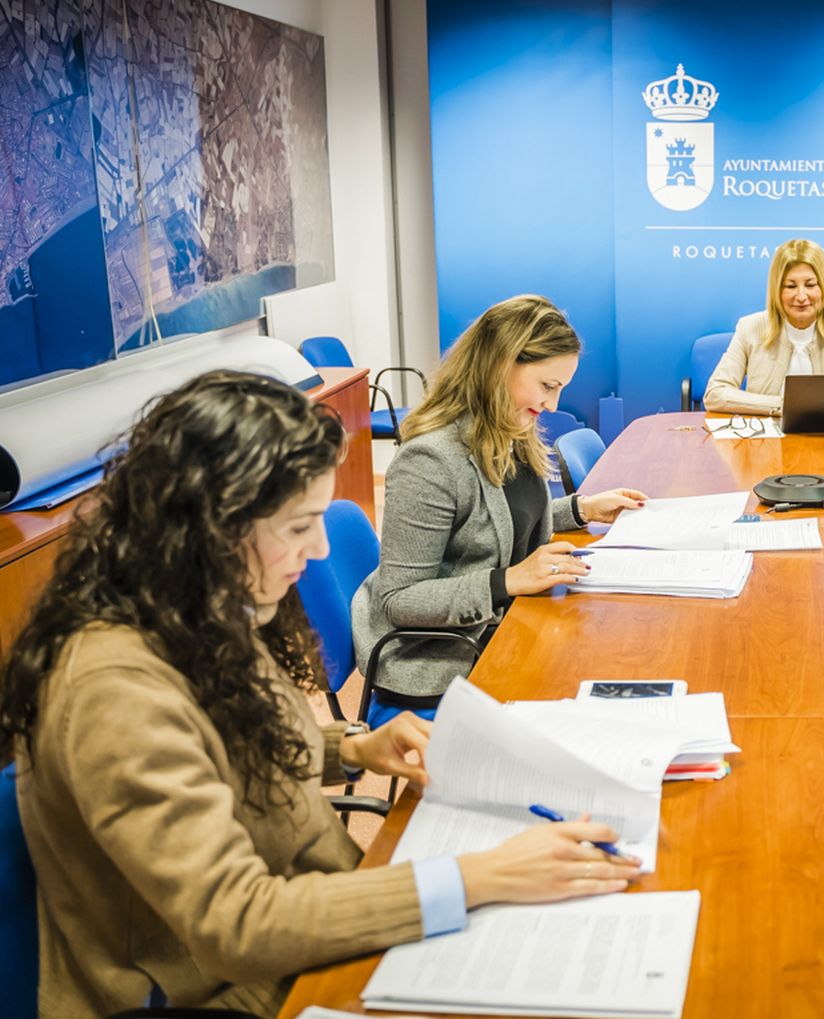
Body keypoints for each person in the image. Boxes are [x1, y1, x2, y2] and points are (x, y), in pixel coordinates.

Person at [0, 371, 642, 1016]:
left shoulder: (195, 605)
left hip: (303, 928)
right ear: (207, 527)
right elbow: (237, 926)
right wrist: (481, 878)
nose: (321, 547)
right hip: (211, 990)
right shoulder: (111, 690)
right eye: (299, 524)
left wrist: (356, 748)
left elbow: (227, 742)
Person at [354, 296, 647, 703]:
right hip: (445, 659)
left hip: (509, 626)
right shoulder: (431, 459)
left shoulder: (509, 429)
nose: (552, 404)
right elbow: (399, 601)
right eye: (548, 386)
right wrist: (507, 580)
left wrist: (579, 509)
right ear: (500, 364)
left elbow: (497, 523)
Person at [703, 238, 824, 416]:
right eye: (790, 286)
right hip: (766, 445)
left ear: (823, 287)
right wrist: (782, 405)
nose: (801, 296)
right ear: (776, 290)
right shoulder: (750, 328)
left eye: (810, 285)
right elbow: (715, 394)